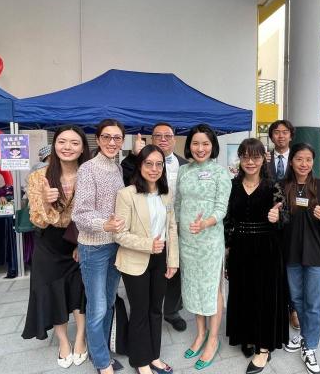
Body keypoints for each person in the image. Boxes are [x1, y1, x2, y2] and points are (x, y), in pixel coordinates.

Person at [21, 125, 91, 369]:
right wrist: (47, 203)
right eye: (62, 141)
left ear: (82, 148)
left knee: (80, 290)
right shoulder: (38, 177)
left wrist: (82, 243)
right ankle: (63, 341)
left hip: (80, 239)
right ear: (54, 145)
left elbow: (94, 213)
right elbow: (37, 220)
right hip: (48, 244)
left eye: (74, 142)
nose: (67, 147)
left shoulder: (89, 174)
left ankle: (80, 337)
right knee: (52, 290)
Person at [225, 138, 288, 374]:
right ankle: (247, 334)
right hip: (240, 248)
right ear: (240, 159)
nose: (250, 162)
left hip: (266, 249)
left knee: (264, 296)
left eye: (255, 157)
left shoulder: (273, 186)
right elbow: (228, 219)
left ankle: (264, 347)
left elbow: (286, 216)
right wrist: (227, 247)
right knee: (243, 293)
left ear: (263, 159)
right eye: (245, 157)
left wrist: (277, 217)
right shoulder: (232, 185)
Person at [115, 144, 179, 374]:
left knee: (155, 309)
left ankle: (155, 356)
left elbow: (171, 228)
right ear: (140, 165)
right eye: (148, 164)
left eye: (159, 164)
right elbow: (119, 234)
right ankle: (141, 361)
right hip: (135, 259)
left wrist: (173, 260)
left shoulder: (166, 193)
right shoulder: (126, 194)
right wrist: (147, 244)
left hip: (160, 258)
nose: (154, 169)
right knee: (140, 310)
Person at [121, 122, 188, 332]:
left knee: (174, 269)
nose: (163, 139)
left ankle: (172, 310)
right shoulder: (139, 162)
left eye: (167, 135)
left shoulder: (185, 165)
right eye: (158, 136)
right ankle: (146, 311)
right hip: (148, 226)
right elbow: (127, 177)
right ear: (151, 139)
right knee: (150, 274)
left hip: (178, 224)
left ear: (174, 139)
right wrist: (134, 155)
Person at [175, 124, 231, 370]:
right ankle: (200, 333)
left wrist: (205, 223)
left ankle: (213, 338)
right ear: (189, 146)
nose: (200, 148)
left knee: (211, 288)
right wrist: (177, 231)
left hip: (209, 240)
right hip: (188, 241)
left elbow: (222, 208)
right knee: (193, 286)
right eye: (196, 143)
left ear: (212, 146)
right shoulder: (183, 171)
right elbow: (178, 203)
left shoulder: (220, 173)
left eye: (205, 144)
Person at [72, 119, 126, 374]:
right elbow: (80, 214)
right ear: (98, 139)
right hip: (94, 248)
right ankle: (102, 362)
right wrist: (105, 224)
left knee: (109, 302)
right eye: (107, 137)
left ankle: (99, 352)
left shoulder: (118, 169)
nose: (112, 142)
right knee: (98, 307)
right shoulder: (87, 169)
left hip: (116, 246)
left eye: (117, 138)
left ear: (122, 141)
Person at [281, 143, 320, 374]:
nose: (304, 164)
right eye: (299, 159)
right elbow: (280, 220)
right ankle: (304, 335)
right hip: (291, 252)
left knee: (313, 303)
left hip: (316, 253)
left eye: (308, 159)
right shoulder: (283, 186)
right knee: (297, 299)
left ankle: (310, 347)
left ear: (313, 162)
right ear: (291, 161)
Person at [266, 119, 300, 330]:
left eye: (284, 132)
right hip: (268, 220)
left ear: (291, 135)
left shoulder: (298, 158)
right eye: (276, 132)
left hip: (292, 221)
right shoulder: (264, 158)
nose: (280, 136)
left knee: (292, 266)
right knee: (271, 266)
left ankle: (293, 308)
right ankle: (274, 306)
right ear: (271, 136)